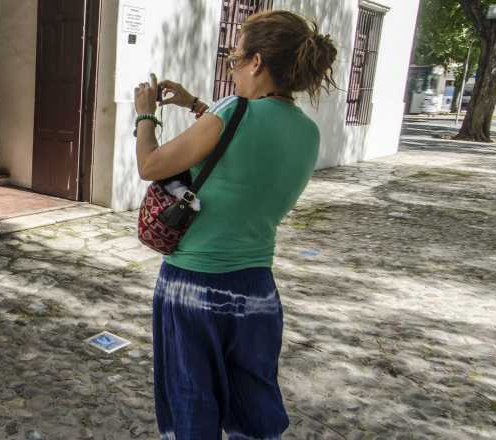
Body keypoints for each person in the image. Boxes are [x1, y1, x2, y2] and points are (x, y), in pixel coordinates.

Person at [133, 10, 337, 439]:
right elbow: (238, 144)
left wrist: (145, 115)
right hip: (256, 288)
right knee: (253, 398)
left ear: (258, 62)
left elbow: (151, 165)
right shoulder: (307, 131)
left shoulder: (232, 110)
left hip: (194, 284)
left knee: (191, 396)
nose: (233, 67)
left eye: (235, 58)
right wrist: (193, 105)